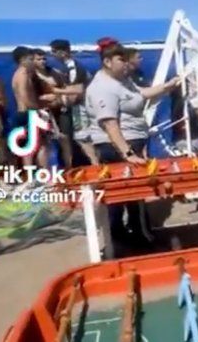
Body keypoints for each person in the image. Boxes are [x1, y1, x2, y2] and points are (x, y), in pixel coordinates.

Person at [85, 40, 181, 248]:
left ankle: (130, 235)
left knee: (129, 194)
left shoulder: (122, 81)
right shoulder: (103, 87)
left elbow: (140, 94)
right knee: (128, 193)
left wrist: (166, 87)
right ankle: (129, 238)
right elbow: (110, 123)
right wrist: (127, 153)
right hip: (118, 147)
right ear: (108, 61)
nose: (126, 63)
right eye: (122, 59)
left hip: (131, 143)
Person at [49, 39, 93, 166]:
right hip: (73, 109)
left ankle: (95, 167)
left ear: (62, 52)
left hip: (79, 109)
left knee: (83, 139)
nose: (52, 55)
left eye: (54, 52)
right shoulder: (65, 68)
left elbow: (77, 90)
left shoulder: (73, 67)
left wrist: (56, 93)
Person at [11, 46, 49, 168]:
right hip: (28, 113)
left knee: (31, 146)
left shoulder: (25, 74)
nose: (33, 62)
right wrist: (38, 110)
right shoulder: (22, 75)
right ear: (22, 60)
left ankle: (34, 177)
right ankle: (44, 176)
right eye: (30, 58)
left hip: (26, 113)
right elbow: (25, 98)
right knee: (39, 145)